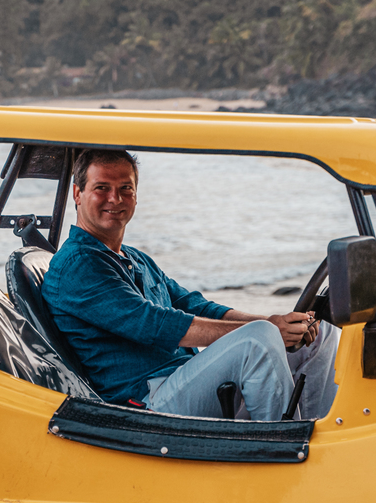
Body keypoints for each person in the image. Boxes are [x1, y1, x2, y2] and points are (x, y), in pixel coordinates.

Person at [41, 149, 339, 421]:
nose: (115, 199)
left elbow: (195, 306)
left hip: (183, 379)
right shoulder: (79, 264)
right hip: (146, 403)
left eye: (125, 189)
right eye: (102, 188)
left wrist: (277, 322)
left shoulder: (133, 258)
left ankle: (318, 434)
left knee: (319, 333)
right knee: (259, 339)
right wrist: (268, 329)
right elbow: (155, 324)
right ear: (78, 193)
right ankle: (284, 446)